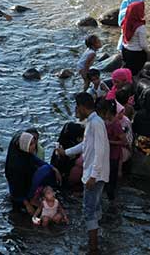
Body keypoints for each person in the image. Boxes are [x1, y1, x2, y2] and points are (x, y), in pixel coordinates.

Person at [57, 92, 109, 255]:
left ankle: (93, 248)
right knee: (95, 206)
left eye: (76, 107)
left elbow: (100, 152)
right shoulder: (92, 123)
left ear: (81, 107)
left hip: (95, 175)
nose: (75, 111)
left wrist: (93, 175)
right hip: (95, 173)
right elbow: (84, 146)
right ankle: (98, 236)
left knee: (89, 211)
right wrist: (65, 152)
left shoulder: (96, 124)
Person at [119, 0, 148, 76]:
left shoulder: (124, 22)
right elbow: (143, 45)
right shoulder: (140, 27)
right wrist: (147, 51)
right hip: (136, 54)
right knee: (134, 73)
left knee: (127, 71)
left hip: (125, 50)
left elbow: (123, 37)